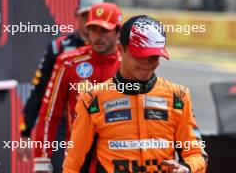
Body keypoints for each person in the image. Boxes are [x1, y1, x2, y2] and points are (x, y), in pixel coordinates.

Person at [63, 15, 208, 173]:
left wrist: (187, 168)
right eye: (140, 56)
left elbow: (196, 153)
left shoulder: (178, 96)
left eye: (154, 56)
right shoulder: (92, 99)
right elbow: (74, 163)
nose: (147, 63)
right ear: (120, 49)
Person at [34, 2, 123, 173]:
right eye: (93, 29)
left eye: (105, 30)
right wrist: (42, 159)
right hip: (78, 158)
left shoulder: (128, 65)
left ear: (118, 32)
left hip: (118, 158)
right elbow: (50, 113)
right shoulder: (68, 62)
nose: (98, 36)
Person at [18, 0, 103, 163]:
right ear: (76, 16)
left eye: (94, 17)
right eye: (85, 15)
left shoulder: (116, 51)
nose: (89, 22)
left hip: (103, 126)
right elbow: (39, 90)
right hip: (65, 125)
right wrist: (25, 132)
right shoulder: (59, 48)